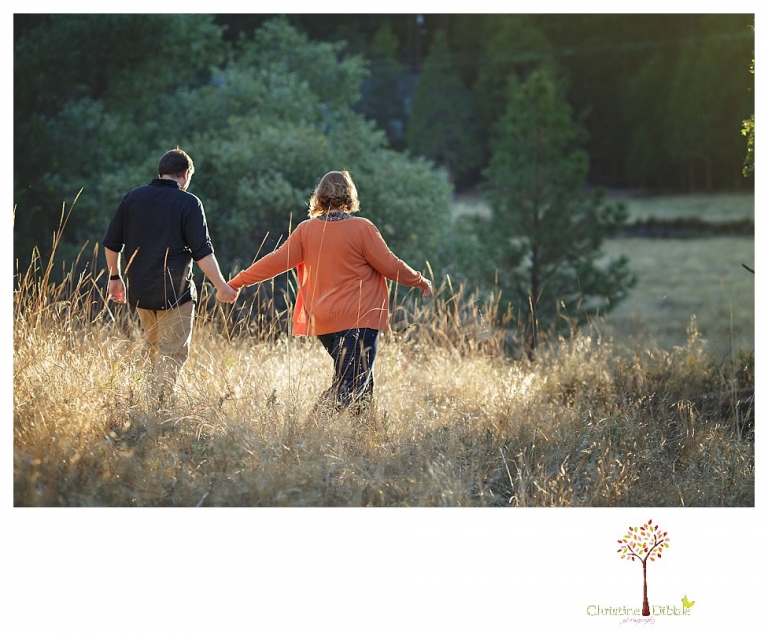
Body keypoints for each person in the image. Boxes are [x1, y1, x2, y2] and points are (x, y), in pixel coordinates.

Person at [225, 170, 432, 413]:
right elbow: (391, 265)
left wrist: (236, 282)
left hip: (325, 322)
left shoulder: (305, 230)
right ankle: (308, 434)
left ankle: (364, 441)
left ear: (320, 197)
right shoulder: (361, 228)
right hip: (358, 318)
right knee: (353, 382)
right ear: (349, 195)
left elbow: (274, 261)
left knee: (359, 381)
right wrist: (419, 280)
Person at [103, 148, 238, 404]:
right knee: (172, 353)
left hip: (140, 292)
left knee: (153, 348)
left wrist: (115, 277)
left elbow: (111, 243)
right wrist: (221, 286)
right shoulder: (189, 202)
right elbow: (203, 253)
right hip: (175, 293)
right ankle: (158, 406)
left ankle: (142, 401)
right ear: (185, 174)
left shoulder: (134, 197)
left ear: (161, 171)